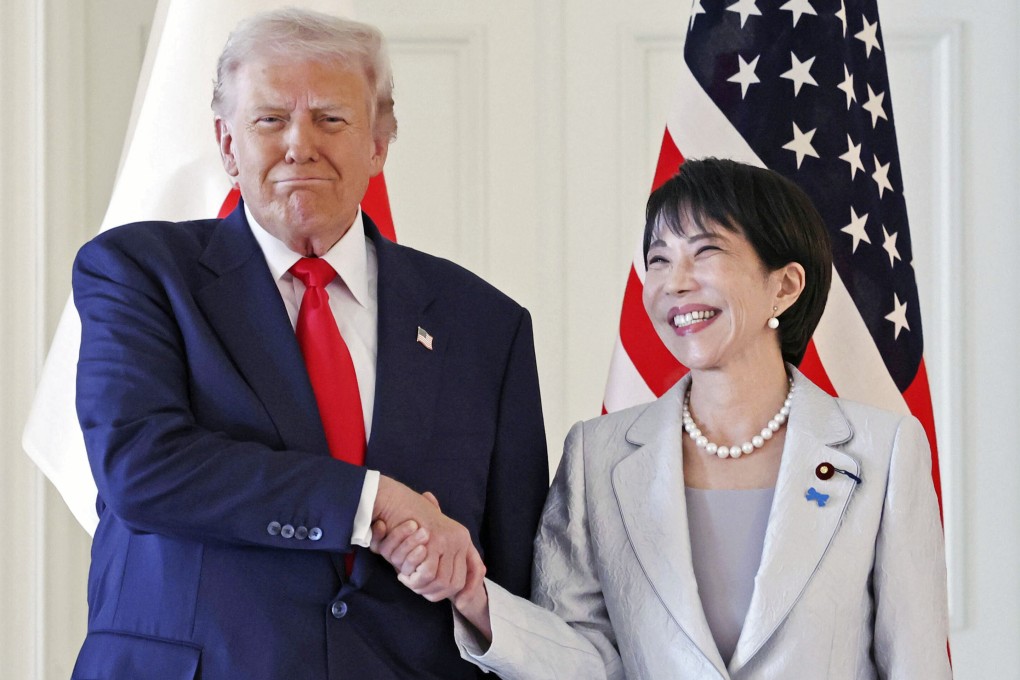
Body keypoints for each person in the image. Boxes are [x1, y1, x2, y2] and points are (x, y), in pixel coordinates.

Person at [70, 8, 548, 680]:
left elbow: (516, 579)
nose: (299, 144)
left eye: (331, 118)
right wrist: (371, 500)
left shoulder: (485, 326)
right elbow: (141, 466)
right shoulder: (139, 274)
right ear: (227, 144)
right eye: (269, 120)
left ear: (379, 143)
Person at [375, 158, 951, 679]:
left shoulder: (883, 449)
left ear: (785, 286)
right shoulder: (595, 455)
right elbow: (586, 660)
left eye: (705, 252)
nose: (673, 283)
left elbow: (916, 662)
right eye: (658, 259)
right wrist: (473, 594)